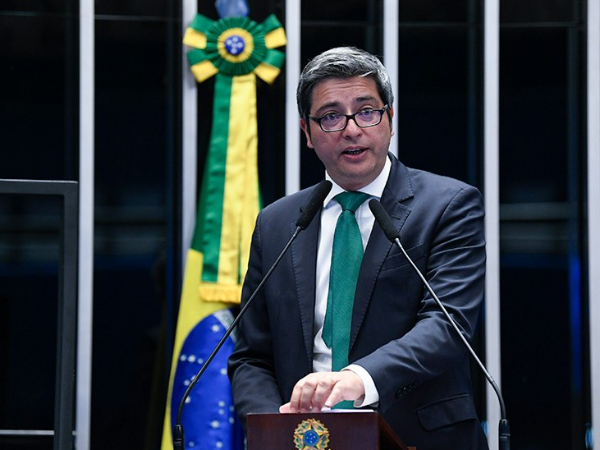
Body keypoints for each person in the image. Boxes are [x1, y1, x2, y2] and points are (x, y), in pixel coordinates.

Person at [228, 46, 489, 449]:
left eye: (367, 111)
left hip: (417, 437)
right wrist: (274, 426)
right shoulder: (277, 223)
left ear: (390, 119)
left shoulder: (448, 205)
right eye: (331, 116)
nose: (351, 129)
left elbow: (447, 325)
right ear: (307, 133)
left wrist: (358, 379)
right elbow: (252, 357)